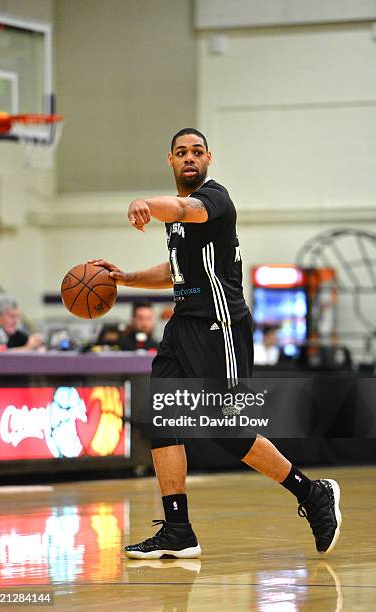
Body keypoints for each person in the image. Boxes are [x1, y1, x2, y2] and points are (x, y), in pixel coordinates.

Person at [90, 128, 341, 559]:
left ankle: (311, 492)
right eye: (181, 152)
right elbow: (175, 272)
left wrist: (147, 204)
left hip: (218, 324)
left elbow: (184, 207)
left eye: (197, 151)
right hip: (183, 325)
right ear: (169, 160)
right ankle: (177, 529)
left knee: (227, 431)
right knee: (162, 421)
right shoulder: (177, 223)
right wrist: (127, 278)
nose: (190, 157)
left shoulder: (213, 199)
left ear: (208, 159)